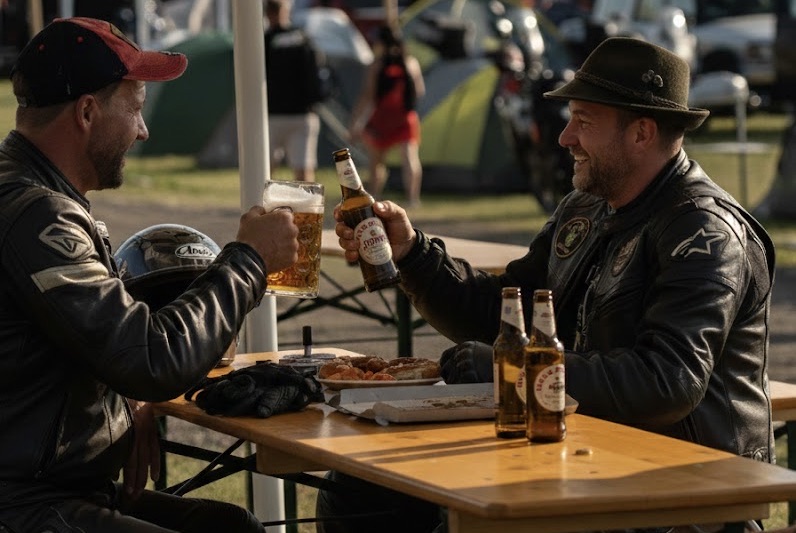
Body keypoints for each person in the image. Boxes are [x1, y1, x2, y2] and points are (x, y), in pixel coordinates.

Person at [319, 36, 776, 532]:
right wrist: (412, 253)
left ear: (642, 133)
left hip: (684, 498)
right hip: (584, 463)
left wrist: (515, 371)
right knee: (358, 491)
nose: (565, 138)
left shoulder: (705, 232)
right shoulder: (587, 208)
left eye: (583, 121)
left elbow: (667, 382)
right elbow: (503, 313)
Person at [0, 17, 300, 533]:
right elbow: (152, 359)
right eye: (135, 109)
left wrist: (121, 396)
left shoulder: (28, 191)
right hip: (25, 503)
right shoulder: (37, 215)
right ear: (87, 112)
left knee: (233, 527)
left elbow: (90, 347)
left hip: (48, 487)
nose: (143, 131)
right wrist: (249, 260)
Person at [349, 24, 425, 207]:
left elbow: (368, 95)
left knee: (376, 162)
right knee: (409, 158)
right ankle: (412, 198)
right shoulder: (411, 63)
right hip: (404, 117)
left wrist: (355, 123)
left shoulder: (377, 65)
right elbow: (419, 90)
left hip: (383, 119)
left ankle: (374, 196)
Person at [264, 0, 328, 182]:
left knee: (265, 171)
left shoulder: (264, 41)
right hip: (303, 113)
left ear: (268, 13)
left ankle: (264, 201)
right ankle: (307, 203)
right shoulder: (303, 38)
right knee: (304, 173)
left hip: (273, 114)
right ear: (286, 11)